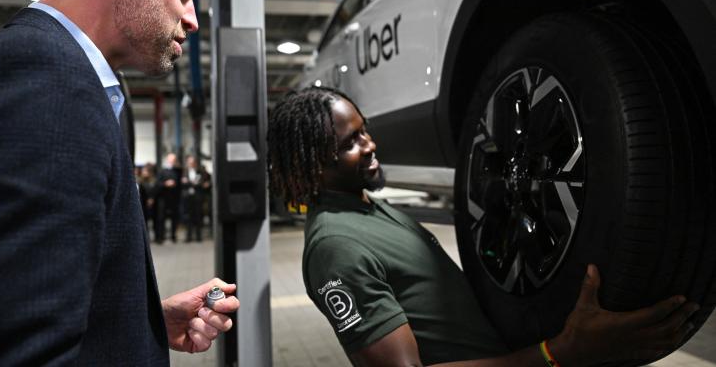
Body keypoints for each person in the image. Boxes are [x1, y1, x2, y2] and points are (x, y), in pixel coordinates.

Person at [0, 0, 238, 365]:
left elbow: (1, 301)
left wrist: (141, 319)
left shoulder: (61, 77)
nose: (191, 19)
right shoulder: (41, 80)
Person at [266, 86, 699, 367]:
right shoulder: (335, 247)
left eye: (365, 131)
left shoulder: (366, 208)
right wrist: (558, 353)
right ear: (311, 167)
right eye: (350, 144)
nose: (371, 145)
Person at [155, 151, 183, 243]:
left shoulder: (178, 171)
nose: (172, 162)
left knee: (174, 217)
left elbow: (180, 183)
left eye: (174, 160)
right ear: (167, 160)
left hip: (174, 198)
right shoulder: (162, 171)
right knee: (161, 217)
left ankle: (173, 236)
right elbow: (158, 184)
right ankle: (161, 237)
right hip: (163, 198)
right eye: (171, 160)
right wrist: (166, 184)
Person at [183, 155, 211, 242]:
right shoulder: (185, 172)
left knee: (198, 215)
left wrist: (196, 183)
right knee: (188, 216)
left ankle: (199, 236)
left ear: (195, 163)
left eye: (192, 162)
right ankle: (188, 237)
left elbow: (204, 182)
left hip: (198, 196)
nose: (191, 164)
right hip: (188, 196)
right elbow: (183, 183)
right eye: (189, 162)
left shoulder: (200, 171)